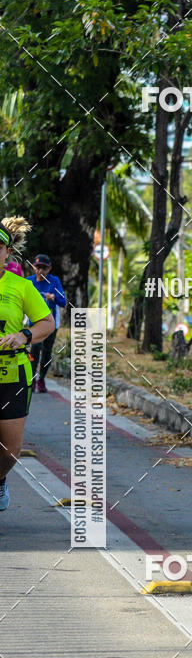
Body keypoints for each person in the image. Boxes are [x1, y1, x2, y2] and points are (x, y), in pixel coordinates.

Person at [0, 218, 55, 510]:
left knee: (9, 452)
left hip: (12, 375)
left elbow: (46, 322)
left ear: (7, 252)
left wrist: (24, 336)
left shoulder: (20, 286)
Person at [26, 253, 66, 392]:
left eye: (44, 268)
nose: (40, 271)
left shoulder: (54, 281)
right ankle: (31, 379)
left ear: (49, 269)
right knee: (34, 350)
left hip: (51, 324)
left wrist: (53, 297)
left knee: (47, 352)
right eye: (38, 267)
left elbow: (63, 302)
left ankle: (41, 379)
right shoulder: (29, 282)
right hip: (34, 323)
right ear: (33, 268)